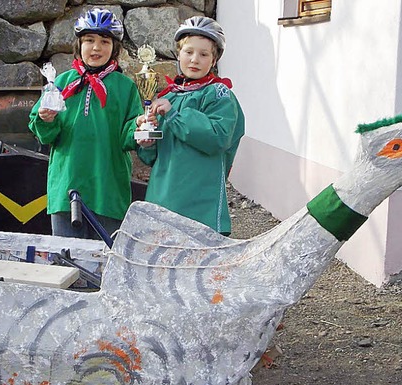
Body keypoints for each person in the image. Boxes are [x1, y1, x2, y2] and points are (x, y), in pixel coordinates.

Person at [28, 8, 142, 240]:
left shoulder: (125, 87)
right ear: (79, 44)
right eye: (89, 40)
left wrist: (140, 128)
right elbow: (44, 134)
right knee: (67, 261)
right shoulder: (61, 82)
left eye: (104, 41)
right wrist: (45, 119)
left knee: (105, 261)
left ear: (115, 48)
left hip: (107, 188)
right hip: (66, 186)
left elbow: (129, 134)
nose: (96, 47)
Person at [136, 16, 245, 235]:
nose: (194, 59)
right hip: (163, 200)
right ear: (178, 54)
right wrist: (146, 141)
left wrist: (175, 115)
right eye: (188, 52)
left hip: (201, 207)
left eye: (204, 54)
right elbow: (152, 158)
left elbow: (217, 137)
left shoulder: (220, 95)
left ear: (214, 60)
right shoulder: (169, 96)